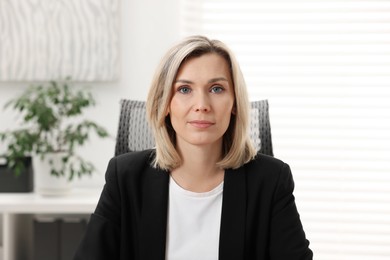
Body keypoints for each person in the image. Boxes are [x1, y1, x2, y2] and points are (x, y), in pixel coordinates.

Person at [74, 35, 313, 260]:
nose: (202, 105)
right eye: (184, 89)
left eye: (216, 89)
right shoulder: (125, 177)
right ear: (165, 102)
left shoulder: (270, 180)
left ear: (235, 104)